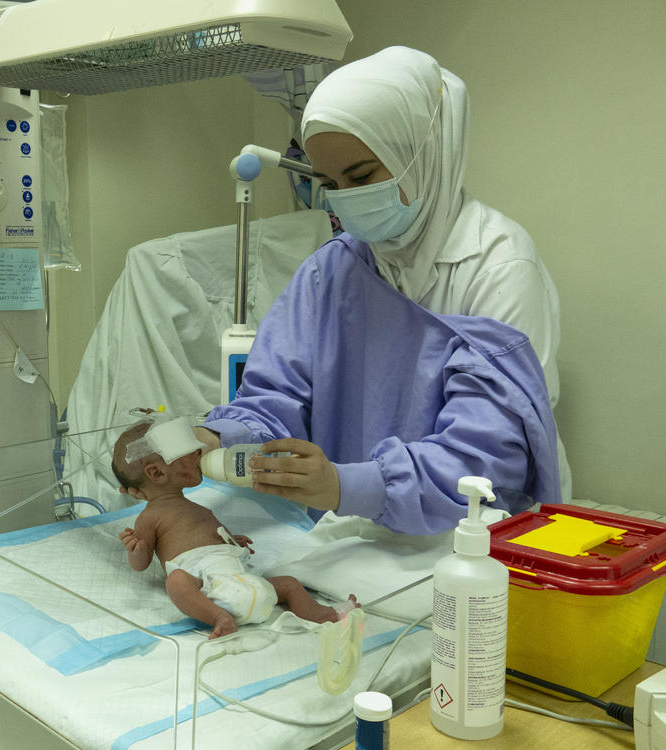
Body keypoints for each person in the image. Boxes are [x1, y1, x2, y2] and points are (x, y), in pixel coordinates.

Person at [195, 46, 565, 535]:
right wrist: (212, 439)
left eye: (362, 176)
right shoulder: (333, 271)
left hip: (473, 544)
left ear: (423, 151)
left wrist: (346, 487)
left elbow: (485, 460)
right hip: (350, 532)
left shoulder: (496, 265)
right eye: (329, 182)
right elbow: (274, 398)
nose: (347, 200)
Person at [112, 422, 352, 638]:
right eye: (189, 452)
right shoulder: (150, 516)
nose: (200, 452)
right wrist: (137, 549)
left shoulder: (193, 505)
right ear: (157, 473)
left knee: (289, 584)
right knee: (176, 582)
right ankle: (218, 617)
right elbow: (141, 564)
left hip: (245, 583)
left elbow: (206, 535)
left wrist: (231, 540)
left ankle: (321, 613)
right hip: (209, 588)